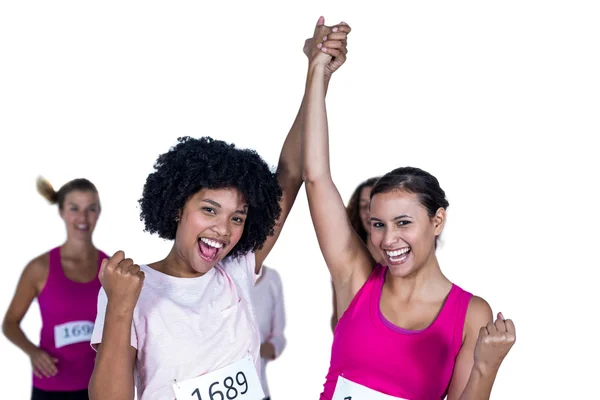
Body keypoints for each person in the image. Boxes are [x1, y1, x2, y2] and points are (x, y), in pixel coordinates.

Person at [88, 18, 351, 400]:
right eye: (209, 210)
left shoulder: (237, 269)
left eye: (237, 217)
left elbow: (290, 173)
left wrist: (318, 74)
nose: (224, 229)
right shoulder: (131, 287)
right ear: (178, 206)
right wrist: (120, 306)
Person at [302, 23, 516, 399]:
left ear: (437, 221)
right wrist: (318, 71)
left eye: (403, 223)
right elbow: (316, 176)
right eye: (378, 225)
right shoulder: (355, 280)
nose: (388, 239)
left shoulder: (471, 314)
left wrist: (486, 366)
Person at [2, 177, 108, 400]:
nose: (83, 217)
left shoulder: (110, 268)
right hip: (51, 388)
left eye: (91, 209)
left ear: (99, 212)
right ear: (61, 212)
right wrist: (33, 352)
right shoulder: (39, 268)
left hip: (99, 386)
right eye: (74, 208)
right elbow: (10, 323)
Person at [331, 177, 380, 332]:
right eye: (364, 206)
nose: (369, 213)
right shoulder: (347, 259)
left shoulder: (406, 259)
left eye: (375, 205)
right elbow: (338, 317)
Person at [254, 266, 286, 400]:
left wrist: (258, 350)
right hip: (220, 389)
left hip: (259, 390)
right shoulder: (220, 276)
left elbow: (279, 338)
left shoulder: (272, 279)